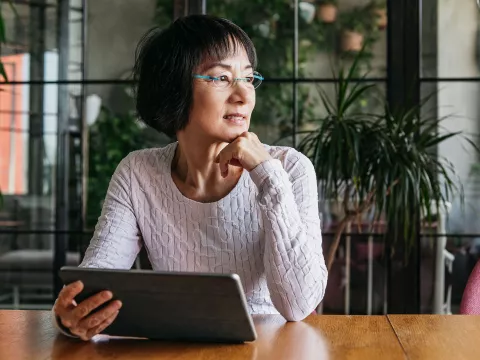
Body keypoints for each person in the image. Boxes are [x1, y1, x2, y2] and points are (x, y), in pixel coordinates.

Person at [52, 14, 328, 341]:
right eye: (221, 78)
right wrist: (72, 317)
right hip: (173, 349)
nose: (243, 95)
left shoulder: (289, 168)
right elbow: (96, 281)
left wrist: (268, 175)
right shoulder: (137, 172)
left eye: (249, 77)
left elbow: (298, 305)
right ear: (174, 87)